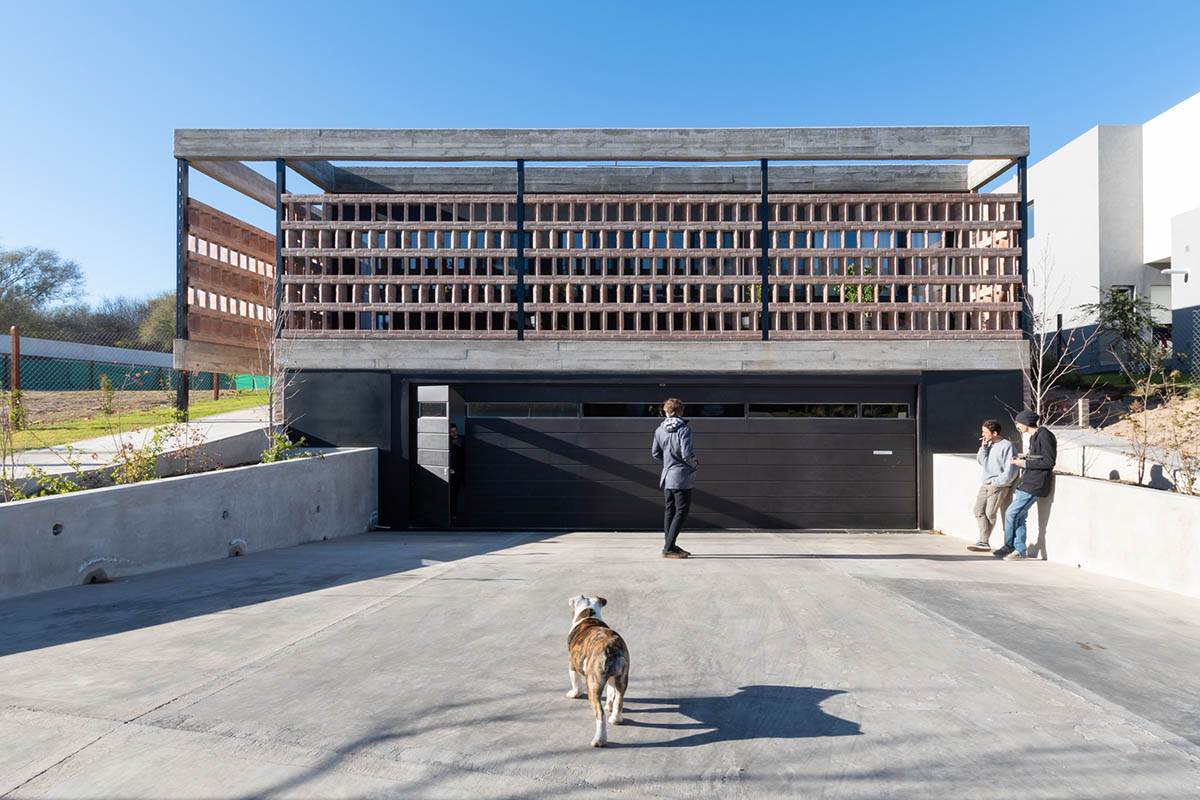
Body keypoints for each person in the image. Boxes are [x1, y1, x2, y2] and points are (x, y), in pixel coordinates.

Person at [994, 410, 1057, 561]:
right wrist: (1023, 459)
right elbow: (1038, 457)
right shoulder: (1034, 437)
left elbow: (1049, 461)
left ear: (1026, 422)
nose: (1017, 426)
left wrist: (1023, 463)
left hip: (1035, 484)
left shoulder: (1045, 435)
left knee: (1011, 513)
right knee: (1019, 517)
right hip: (1026, 483)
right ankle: (1020, 550)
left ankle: (1010, 545)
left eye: (1018, 423)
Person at [651, 398, 699, 559]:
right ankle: (668, 548)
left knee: (670, 511)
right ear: (681, 411)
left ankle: (669, 545)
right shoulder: (684, 429)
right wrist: (695, 464)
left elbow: (655, 453)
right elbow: (687, 455)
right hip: (681, 477)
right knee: (681, 511)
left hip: (667, 477)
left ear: (666, 411)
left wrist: (668, 461)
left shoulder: (659, 430)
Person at [968, 419, 1019, 552]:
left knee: (990, 513)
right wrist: (983, 448)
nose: (982, 434)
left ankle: (983, 541)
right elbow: (981, 461)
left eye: (985, 432)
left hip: (998, 485)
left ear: (995, 433)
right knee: (978, 511)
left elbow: (1011, 469)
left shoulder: (1007, 446)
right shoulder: (988, 444)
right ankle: (983, 542)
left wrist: (997, 483)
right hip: (985, 483)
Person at [449, 423, 465, 522]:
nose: (455, 433)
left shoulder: (463, 439)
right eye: (452, 432)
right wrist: (450, 468)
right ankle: (453, 514)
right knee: (453, 494)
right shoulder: (447, 442)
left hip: (464, 471)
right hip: (454, 473)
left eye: (455, 431)